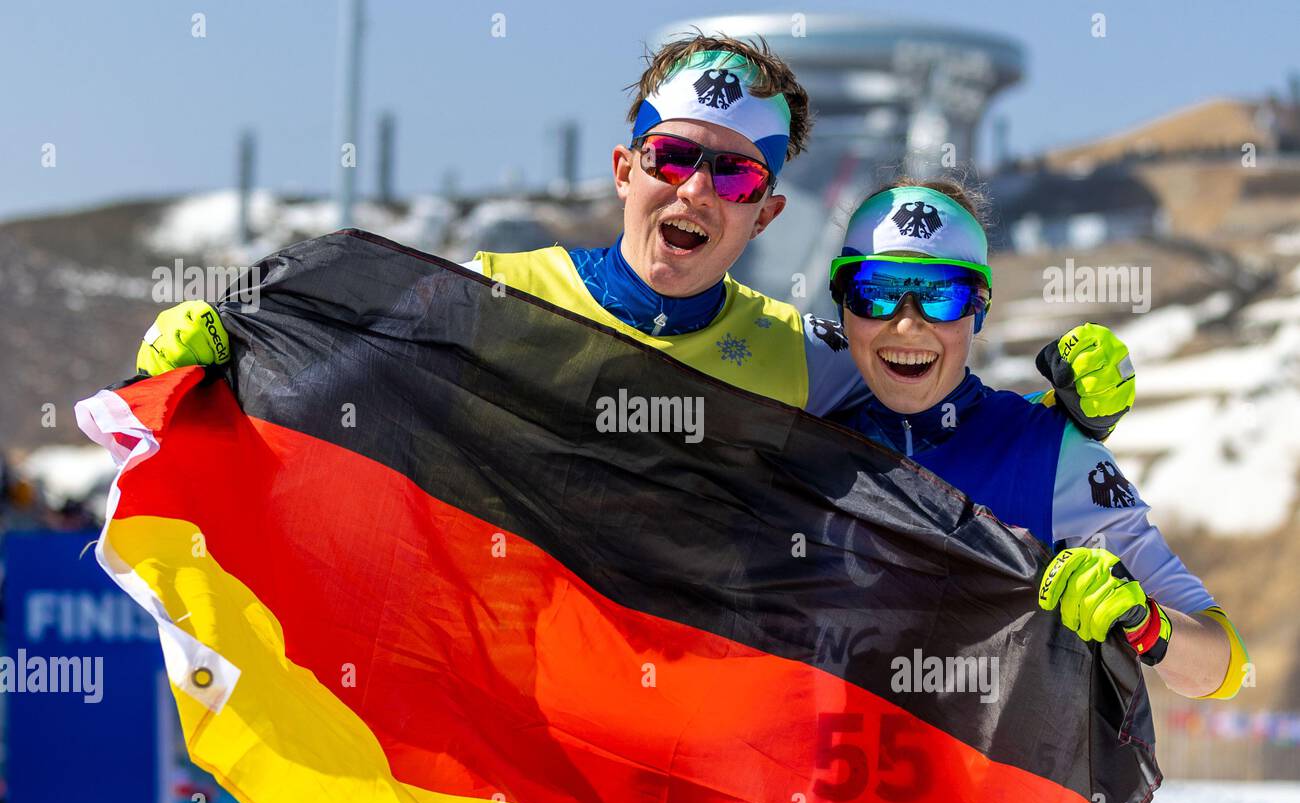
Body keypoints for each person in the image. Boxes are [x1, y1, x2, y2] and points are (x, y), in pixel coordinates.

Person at [134, 34, 1134, 439]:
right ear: (625, 170)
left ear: (766, 212)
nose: (694, 187)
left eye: (734, 171)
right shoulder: (489, 292)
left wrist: (1063, 415)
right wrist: (218, 355)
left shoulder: (799, 359)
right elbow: (323, 381)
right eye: (670, 156)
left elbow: (939, 425)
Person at [825, 178, 1248, 720]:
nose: (907, 323)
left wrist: (1144, 622)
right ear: (841, 303)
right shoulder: (799, 435)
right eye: (875, 291)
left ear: (977, 312)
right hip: (839, 793)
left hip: (993, 800)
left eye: (941, 295)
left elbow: (1224, 665)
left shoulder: (1051, 452)